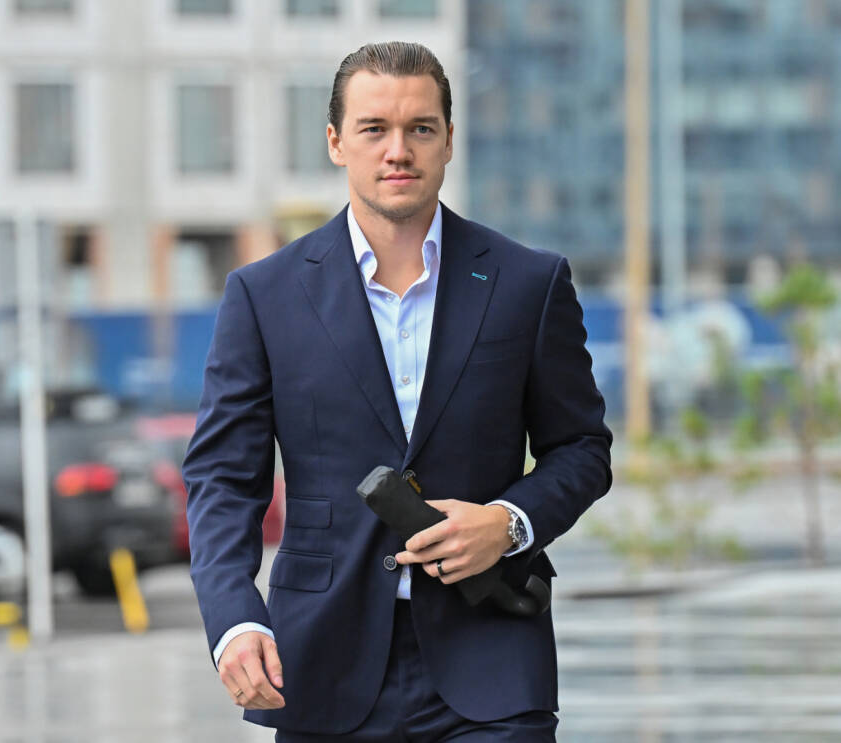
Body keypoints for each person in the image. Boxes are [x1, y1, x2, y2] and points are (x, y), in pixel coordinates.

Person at [182, 41, 612, 742]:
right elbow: (223, 478)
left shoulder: (528, 283)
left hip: (493, 657)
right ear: (336, 142)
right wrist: (234, 618)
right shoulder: (264, 295)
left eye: (420, 128)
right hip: (321, 662)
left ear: (449, 141)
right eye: (374, 129)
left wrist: (508, 522)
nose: (398, 151)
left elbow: (583, 448)